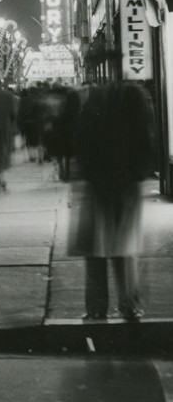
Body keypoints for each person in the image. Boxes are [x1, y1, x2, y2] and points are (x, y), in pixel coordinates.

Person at [74, 81, 155, 322]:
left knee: (96, 253)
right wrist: (138, 174)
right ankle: (129, 306)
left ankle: (96, 309)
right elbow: (146, 142)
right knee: (125, 249)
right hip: (126, 184)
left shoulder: (94, 103)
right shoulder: (135, 100)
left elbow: (80, 141)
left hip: (98, 184)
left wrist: (88, 172)